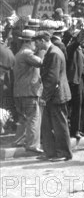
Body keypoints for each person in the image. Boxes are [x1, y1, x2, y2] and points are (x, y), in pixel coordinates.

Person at [35, 31, 72, 161]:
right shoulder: (53, 51)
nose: (36, 44)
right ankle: (50, 152)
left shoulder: (53, 53)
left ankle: (63, 153)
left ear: (43, 40)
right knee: (48, 124)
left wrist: (44, 97)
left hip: (56, 95)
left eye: (37, 42)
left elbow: (52, 78)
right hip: (55, 95)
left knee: (59, 125)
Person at [12, 29, 44, 152]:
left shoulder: (19, 53)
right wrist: (42, 51)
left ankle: (19, 141)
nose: (36, 45)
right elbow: (40, 62)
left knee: (23, 118)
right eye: (35, 42)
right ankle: (32, 145)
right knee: (34, 118)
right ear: (30, 42)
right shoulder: (27, 53)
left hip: (19, 92)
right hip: (29, 92)